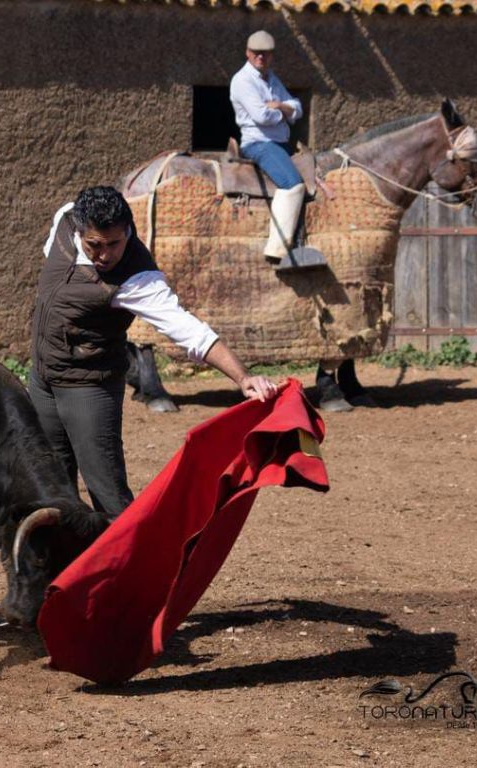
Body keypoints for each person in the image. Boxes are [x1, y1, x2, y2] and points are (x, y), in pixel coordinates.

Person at [29, 186, 279, 520]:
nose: (105, 255)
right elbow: (53, 262)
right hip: (42, 381)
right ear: (79, 230)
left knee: (108, 493)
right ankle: (65, 555)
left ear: (128, 231)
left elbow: (188, 329)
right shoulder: (66, 218)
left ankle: (130, 554)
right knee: (48, 485)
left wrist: (242, 377)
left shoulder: (138, 278)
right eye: (95, 245)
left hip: (88, 387)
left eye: (114, 244)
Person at [229, 29, 306, 263]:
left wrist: (279, 106)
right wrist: (285, 112)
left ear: (271, 55)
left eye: (265, 53)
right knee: (292, 184)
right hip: (259, 143)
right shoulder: (243, 80)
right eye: (256, 52)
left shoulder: (271, 78)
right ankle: (277, 250)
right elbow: (262, 116)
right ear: (247, 53)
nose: (260, 57)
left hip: (280, 143)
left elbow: (298, 108)